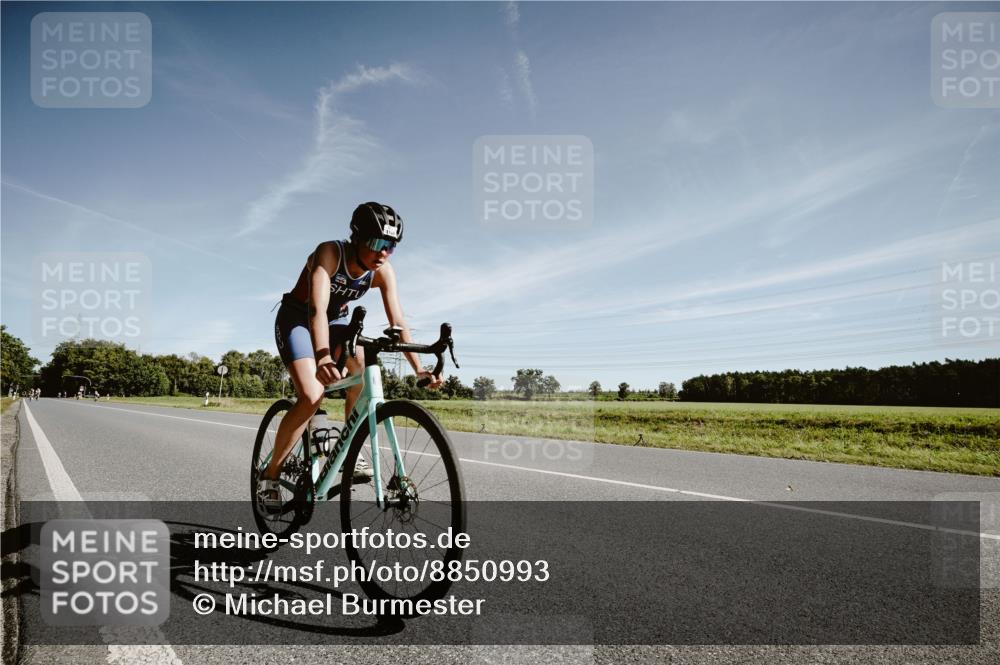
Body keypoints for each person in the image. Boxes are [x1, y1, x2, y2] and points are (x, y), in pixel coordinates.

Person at [259, 202, 443, 509]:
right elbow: (317, 310)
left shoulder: (383, 271)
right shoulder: (330, 253)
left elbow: (398, 321)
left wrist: (418, 369)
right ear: (356, 237)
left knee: (362, 369)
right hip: (298, 319)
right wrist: (323, 358)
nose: (383, 253)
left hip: (336, 324)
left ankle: (348, 453)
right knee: (312, 394)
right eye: (376, 243)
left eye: (390, 246)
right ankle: (271, 475)